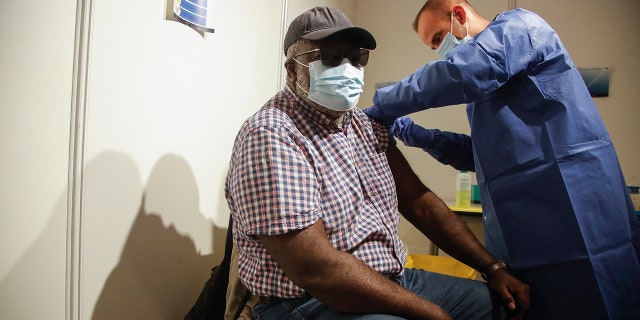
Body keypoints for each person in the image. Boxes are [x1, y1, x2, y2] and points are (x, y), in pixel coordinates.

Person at [224, 6, 531, 320]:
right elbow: (316, 270)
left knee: (503, 307)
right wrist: (431, 313)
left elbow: (419, 203)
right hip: (309, 301)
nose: (347, 67)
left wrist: (492, 269)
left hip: (392, 279)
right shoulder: (272, 135)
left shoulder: (363, 125)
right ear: (292, 70)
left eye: (356, 57)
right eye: (330, 57)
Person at [363, 1, 640, 319]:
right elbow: (483, 154)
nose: (440, 50)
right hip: (525, 237)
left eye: (439, 38)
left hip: (580, 217)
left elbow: (463, 73)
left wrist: (385, 103)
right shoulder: (483, 92)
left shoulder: (521, 28)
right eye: (432, 46)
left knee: (599, 302)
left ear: (459, 14)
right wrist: (419, 136)